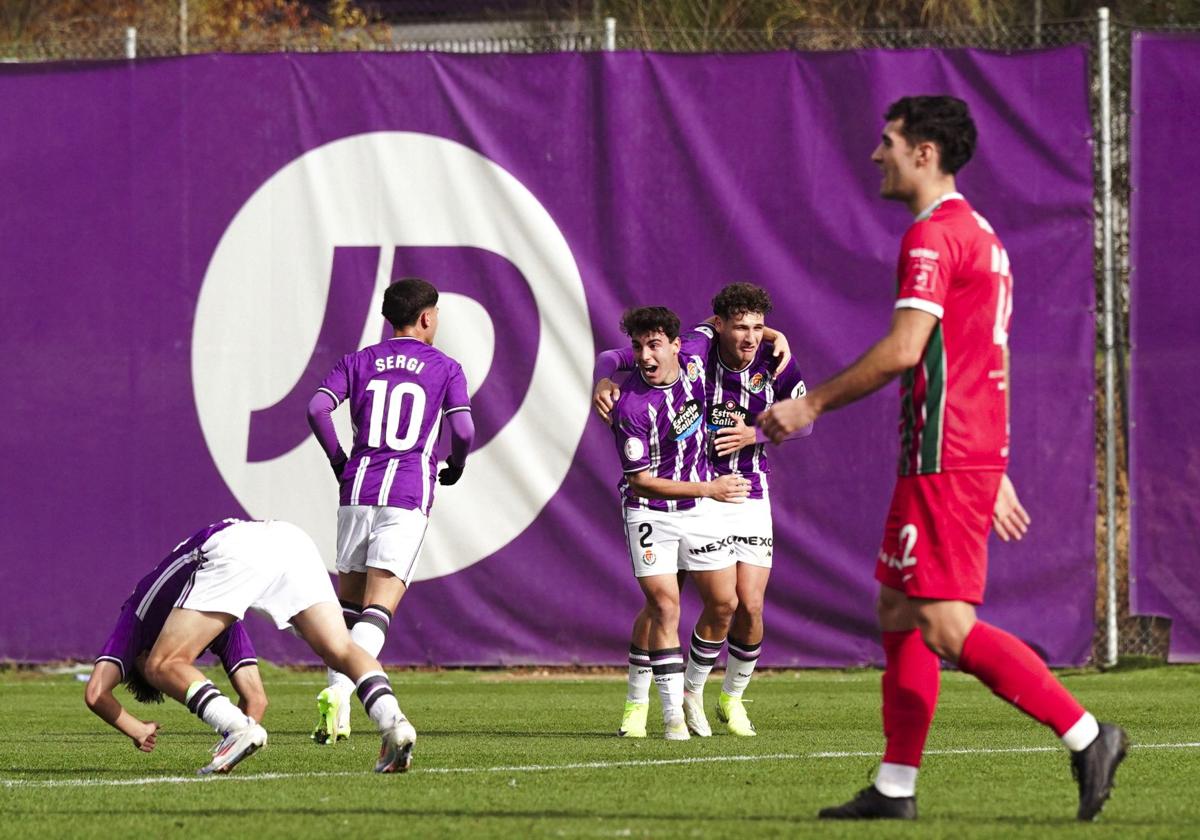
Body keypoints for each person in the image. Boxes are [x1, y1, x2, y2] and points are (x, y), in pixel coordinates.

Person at [759, 95, 1127, 821]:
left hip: (946, 452)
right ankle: (896, 789)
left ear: (924, 153)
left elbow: (904, 350)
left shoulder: (932, 237)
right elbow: (987, 353)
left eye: (888, 142)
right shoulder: (982, 234)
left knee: (942, 623)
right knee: (897, 607)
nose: (877, 155)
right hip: (960, 449)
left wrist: (810, 405)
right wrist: (993, 460)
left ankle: (1088, 734)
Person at [594, 283, 811, 737]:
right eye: (741, 327)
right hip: (694, 489)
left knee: (745, 606)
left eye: (758, 328)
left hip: (746, 490)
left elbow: (805, 418)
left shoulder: (775, 359)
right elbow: (624, 354)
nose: (750, 337)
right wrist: (605, 377)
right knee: (663, 601)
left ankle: (718, 697)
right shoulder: (696, 349)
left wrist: (756, 434)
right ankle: (639, 704)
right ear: (719, 327)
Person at [85, 518, 416, 775]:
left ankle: (235, 730)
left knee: (164, 664)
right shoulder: (211, 619)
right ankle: (394, 722)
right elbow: (255, 698)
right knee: (341, 648)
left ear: (135, 657)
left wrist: (137, 728)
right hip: (289, 539)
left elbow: (96, 692)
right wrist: (239, 735)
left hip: (231, 549)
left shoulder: (137, 618)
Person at [306, 277, 474, 744]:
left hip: (357, 490)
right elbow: (462, 431)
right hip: (405, 493)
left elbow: (318, 409)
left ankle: (333, 702)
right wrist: (455, 464)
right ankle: (346, 696)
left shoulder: (358, 361)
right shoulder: (445, 367)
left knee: (348, 608)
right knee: (378, 609)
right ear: (426, 318)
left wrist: (340, 459)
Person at [602, 306, 749, 740]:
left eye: (654, 345)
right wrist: (605, 374)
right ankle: (662, 714)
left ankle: (691, 694)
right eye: (638, 347)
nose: (645, 356)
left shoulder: (698, 353)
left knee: (726, 606)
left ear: (676, 344)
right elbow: (643, 482)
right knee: (665, 606)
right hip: (651, 512)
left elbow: (726, 320)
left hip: (701, 511)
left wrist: (777, 336)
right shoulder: (629, 407)